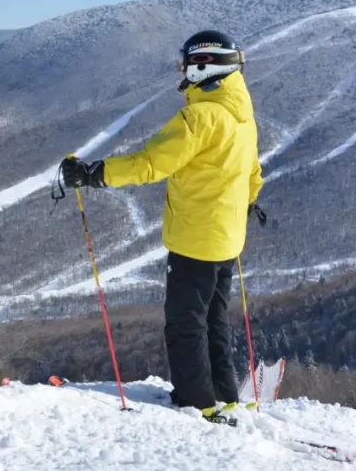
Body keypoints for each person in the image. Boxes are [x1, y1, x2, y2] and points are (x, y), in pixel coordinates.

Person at [60, 29, 265, 419]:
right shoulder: (243, 114)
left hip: (195, 240)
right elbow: (253, 173)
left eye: (188, 62)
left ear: (206, 66)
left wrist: (93, 174)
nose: (183, 68)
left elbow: (150, 162)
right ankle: (225, 394)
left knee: (185, 323)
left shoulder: (200, 116)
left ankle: (196, 403)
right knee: (213, 320)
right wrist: (246, 201)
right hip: (227, 239)